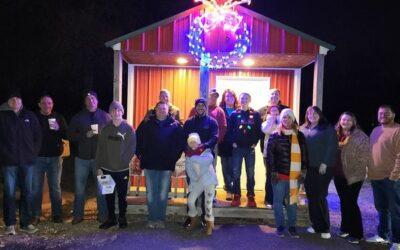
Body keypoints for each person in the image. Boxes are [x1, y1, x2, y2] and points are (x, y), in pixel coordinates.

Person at [0, 90, 42, 235]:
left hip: (27, 162)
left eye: (18, 99)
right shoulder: (3, 116)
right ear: (8, 102)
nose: (15, 101)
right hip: (9, 163)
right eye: (12, 99)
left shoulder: (30, 116)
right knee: (9, 193)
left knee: (27, 193)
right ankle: (10, 224)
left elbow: (38, 137)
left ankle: (25, 223)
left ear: (21, 101)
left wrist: (33, 153)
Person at [136, 101, 184, 229]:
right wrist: (140, 155)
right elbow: (137, 139)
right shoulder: (146, 123)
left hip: (166, 166)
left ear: (168, 110)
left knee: (162, 194)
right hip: (150, 164)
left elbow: (180, 144)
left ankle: (160, 219)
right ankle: (152, 219)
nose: (162, 110)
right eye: (159, 108)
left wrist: (173, 158)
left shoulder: (174, 125)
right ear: (155, 110)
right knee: (151, 193)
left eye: (164, 108)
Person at [68, 91, 110, 224]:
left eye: (93, 98)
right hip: (82, 159)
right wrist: (84, 136)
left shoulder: (105, 116)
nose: (91, 100)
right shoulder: (78, 117)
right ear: (85, 102)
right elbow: (70, 135)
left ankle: (103, 215)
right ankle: (78, 216)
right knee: (79, 189)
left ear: (97, 101)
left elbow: (112, 135)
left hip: (100, 160)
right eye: (88, 98)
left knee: (102, 188)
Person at [267, 108, 307, 238]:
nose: (286, 120)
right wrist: (272, 172)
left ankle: (292, 227)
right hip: (279, 175)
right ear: (281, 119)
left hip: (294, 176)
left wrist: (303, 170)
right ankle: (279, 226)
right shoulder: (275, 135)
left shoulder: (299, 135)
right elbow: (270, 156)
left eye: (289, 117)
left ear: (293, 119)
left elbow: (304, 155)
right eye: (284, 117)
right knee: (278, 202)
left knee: (292, 203)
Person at [96, 101, 136, 229]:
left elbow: (132, 148)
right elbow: (100, 149)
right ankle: (111, 219)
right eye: (113, 110)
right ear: (110, 113)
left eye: (119, 110)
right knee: (109, 195)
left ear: (122, 112)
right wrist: (99, 167)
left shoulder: (129, 128)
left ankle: (122, 218)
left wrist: (123, 161)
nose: (116, 112)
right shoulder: (105, 129)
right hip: (107, 169)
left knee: (122, 196)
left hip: (122, 169)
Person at [300, 106, 338, 239]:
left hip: (322, 167)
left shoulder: (327, 128)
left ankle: (325, 227)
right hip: (308, 167)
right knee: (311, 196)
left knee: (320, 196)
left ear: (320, 114)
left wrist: (325, 163)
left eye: (315, 113)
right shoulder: (303, 128)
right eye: (309, 113)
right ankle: (316, 225)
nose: (312, 115)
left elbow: (332, 146)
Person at [366, 105, 400, 250]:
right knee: (381, 208)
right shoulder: (375, 130)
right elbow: (371, 151)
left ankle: (397, 241)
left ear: (393, 114)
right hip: (376, 176)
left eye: (386, 113)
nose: (382, 115)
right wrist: (368, 169)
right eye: (380, 113)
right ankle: (382, 235)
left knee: (395, 210)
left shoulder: (398, 130)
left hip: (391, 178)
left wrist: (395, 174)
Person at [333, 112, 369, 244]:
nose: (345, 122)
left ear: (353, 122)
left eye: (348, 120)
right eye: (343, 119)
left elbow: (365, 155)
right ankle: (345, 228)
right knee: (344, 201)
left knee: (351, 203)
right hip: (339, 174)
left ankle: (357, 234)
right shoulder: (336, 134)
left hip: (354, 175)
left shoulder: (360, 136)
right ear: (340, 121)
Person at [32, 95, 68, 225]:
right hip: (38, 158)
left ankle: (57, 215)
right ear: (39, 104)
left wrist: (59, 129)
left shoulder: (58, 117)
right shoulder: (34, 118)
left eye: (49, 103)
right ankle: (35, 215)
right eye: (44, 103)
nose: (47, 105)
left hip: (55, 158)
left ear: (52, 104)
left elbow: (66, 134)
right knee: (36, 188)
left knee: (55, 188)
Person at [182, 98, 218, 228]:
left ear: (205, 107)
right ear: (195, 107)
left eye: (203, 105)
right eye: (198, 105)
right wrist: (188, 150)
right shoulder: (189, 122)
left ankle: (204, 216)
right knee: (192, 186)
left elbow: (215, 137)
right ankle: (191, 217)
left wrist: (203, 146)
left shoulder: (212, 122)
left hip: (206, 158)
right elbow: (183, 138)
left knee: (205, 188)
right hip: (191, 159)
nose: (201, 107)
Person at [228, 92, 262, 208]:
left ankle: (251, 196)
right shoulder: (234, 114)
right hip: (237, 149)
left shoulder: (256, 114)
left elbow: (259, 131)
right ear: (240, 100)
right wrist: (233, 142)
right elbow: (229, 130)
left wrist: (255, 143)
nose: (244, 100)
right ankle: (237, 195)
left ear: (250, 99)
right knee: (236, 173)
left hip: (249, 149)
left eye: (246, 98)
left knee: (250, 173)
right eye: (242, 98)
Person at [185, 133, 218, 235]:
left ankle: (209, 224)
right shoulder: (188, 155)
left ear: (198, 142)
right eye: (191, 142)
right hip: (198, 181)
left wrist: (193, 158)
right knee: (190, 201)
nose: (193, 144)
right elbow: (189, 170)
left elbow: (207, 161)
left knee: (208, 204)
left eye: (194, 141)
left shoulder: (205, 151)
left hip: (209, 181)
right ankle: (194, 220)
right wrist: (194, 179)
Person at [189, 89, 227, 169]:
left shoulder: (220, 111)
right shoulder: (195, 109)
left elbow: (223, 128)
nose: (213, 98)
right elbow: (189, 125)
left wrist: (215, 141)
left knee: (211, 167)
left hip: (212, 145)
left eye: (215, 96)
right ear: (207, 96)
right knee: (195, 167)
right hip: (195, 144)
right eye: (211, 96)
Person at [218, 89, 239, 201]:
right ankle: (229, 190)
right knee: (226, 168)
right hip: (224, 144)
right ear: (223, 98)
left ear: (234, 98)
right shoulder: (220, 110)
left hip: (236, 145)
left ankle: (234, 189)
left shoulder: (238, 111)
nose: (229, 98)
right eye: (227, 96)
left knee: (234, 169)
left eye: (231, 96)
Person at [261, 105, 280, 209]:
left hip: (281, 154)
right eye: (272, 111)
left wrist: (278, 120)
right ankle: (269, 199)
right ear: (268, 113)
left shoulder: (283, 121)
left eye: (276, 110)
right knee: (269, 176)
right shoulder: (265, 122)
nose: (274, 112)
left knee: (280, 177)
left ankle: (279, 200)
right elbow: (266, 130)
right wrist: (271, 120)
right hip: (268, 154)